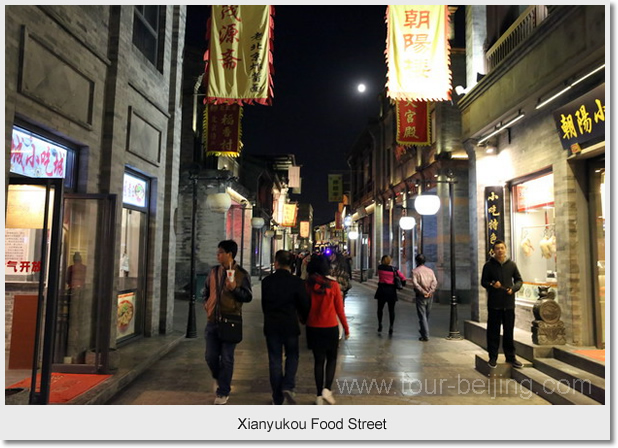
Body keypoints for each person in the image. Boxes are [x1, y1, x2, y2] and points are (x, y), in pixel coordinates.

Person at [202, 240, 253, 404]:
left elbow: (248, 296)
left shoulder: (242, 274)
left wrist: (234, 289)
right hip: (212, 320)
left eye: (220, 252)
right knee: (210, 356)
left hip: (230, 320)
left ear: (229, 254)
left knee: (227, 358)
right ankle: (218, 378)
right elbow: (206, 290)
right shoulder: (213, 271)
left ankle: (223, 391)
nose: (218, 255)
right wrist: (206, 303)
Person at [261, 250, 310, 405]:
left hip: (272, 325)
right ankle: (288, 385)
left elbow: (265, 305)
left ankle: (277, 397)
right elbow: (304, 304)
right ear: (291, 264)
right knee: (292, 356)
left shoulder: (267, 281)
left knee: (274, 360)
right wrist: (303, 318)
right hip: (290, 324)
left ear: (276, 263)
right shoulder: (297, 282)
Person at [305, 254, 349, 405]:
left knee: (318, 361)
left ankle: (318, 395)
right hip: (330, 327)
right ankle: (327, 389)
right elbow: (339, 310)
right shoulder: (333, 285)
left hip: (313, 327)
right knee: (331, 359)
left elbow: (304, 305)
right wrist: (346, 328)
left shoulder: (308, 284)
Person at [481, 240, 524, 369]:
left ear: (505, 249)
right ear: (493, 251)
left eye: (502, 248)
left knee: (509, 332)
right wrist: (492, 285)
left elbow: (519, 280)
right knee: (493, 332)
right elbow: (483, 281)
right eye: (497, 248)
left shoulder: (511, 265)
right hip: (494, 304)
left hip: (508, 304)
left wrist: (514, 288)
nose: (500, 250)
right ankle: (492, 357)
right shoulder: (488, 265)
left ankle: (511, 357)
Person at [374, 255, 406, 335]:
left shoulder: (380, 268)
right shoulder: (394, 270)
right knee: (391, 310)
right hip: (391, 291)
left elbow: (379, 269)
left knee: (380, 309)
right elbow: (403, 278)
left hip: (381, 290)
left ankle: (380, 324)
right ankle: (391, 326)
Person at [411, 254, 437, 341]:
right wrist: (430, 292)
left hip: (421, 296)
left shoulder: (415, 271)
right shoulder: (430, 271)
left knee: (422, 316)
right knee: (426, 315)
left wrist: (423, 292)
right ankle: (423, 331)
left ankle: (425, 335)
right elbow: (434, 282)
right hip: (430, 296)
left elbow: (416, 284)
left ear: (416, 261)